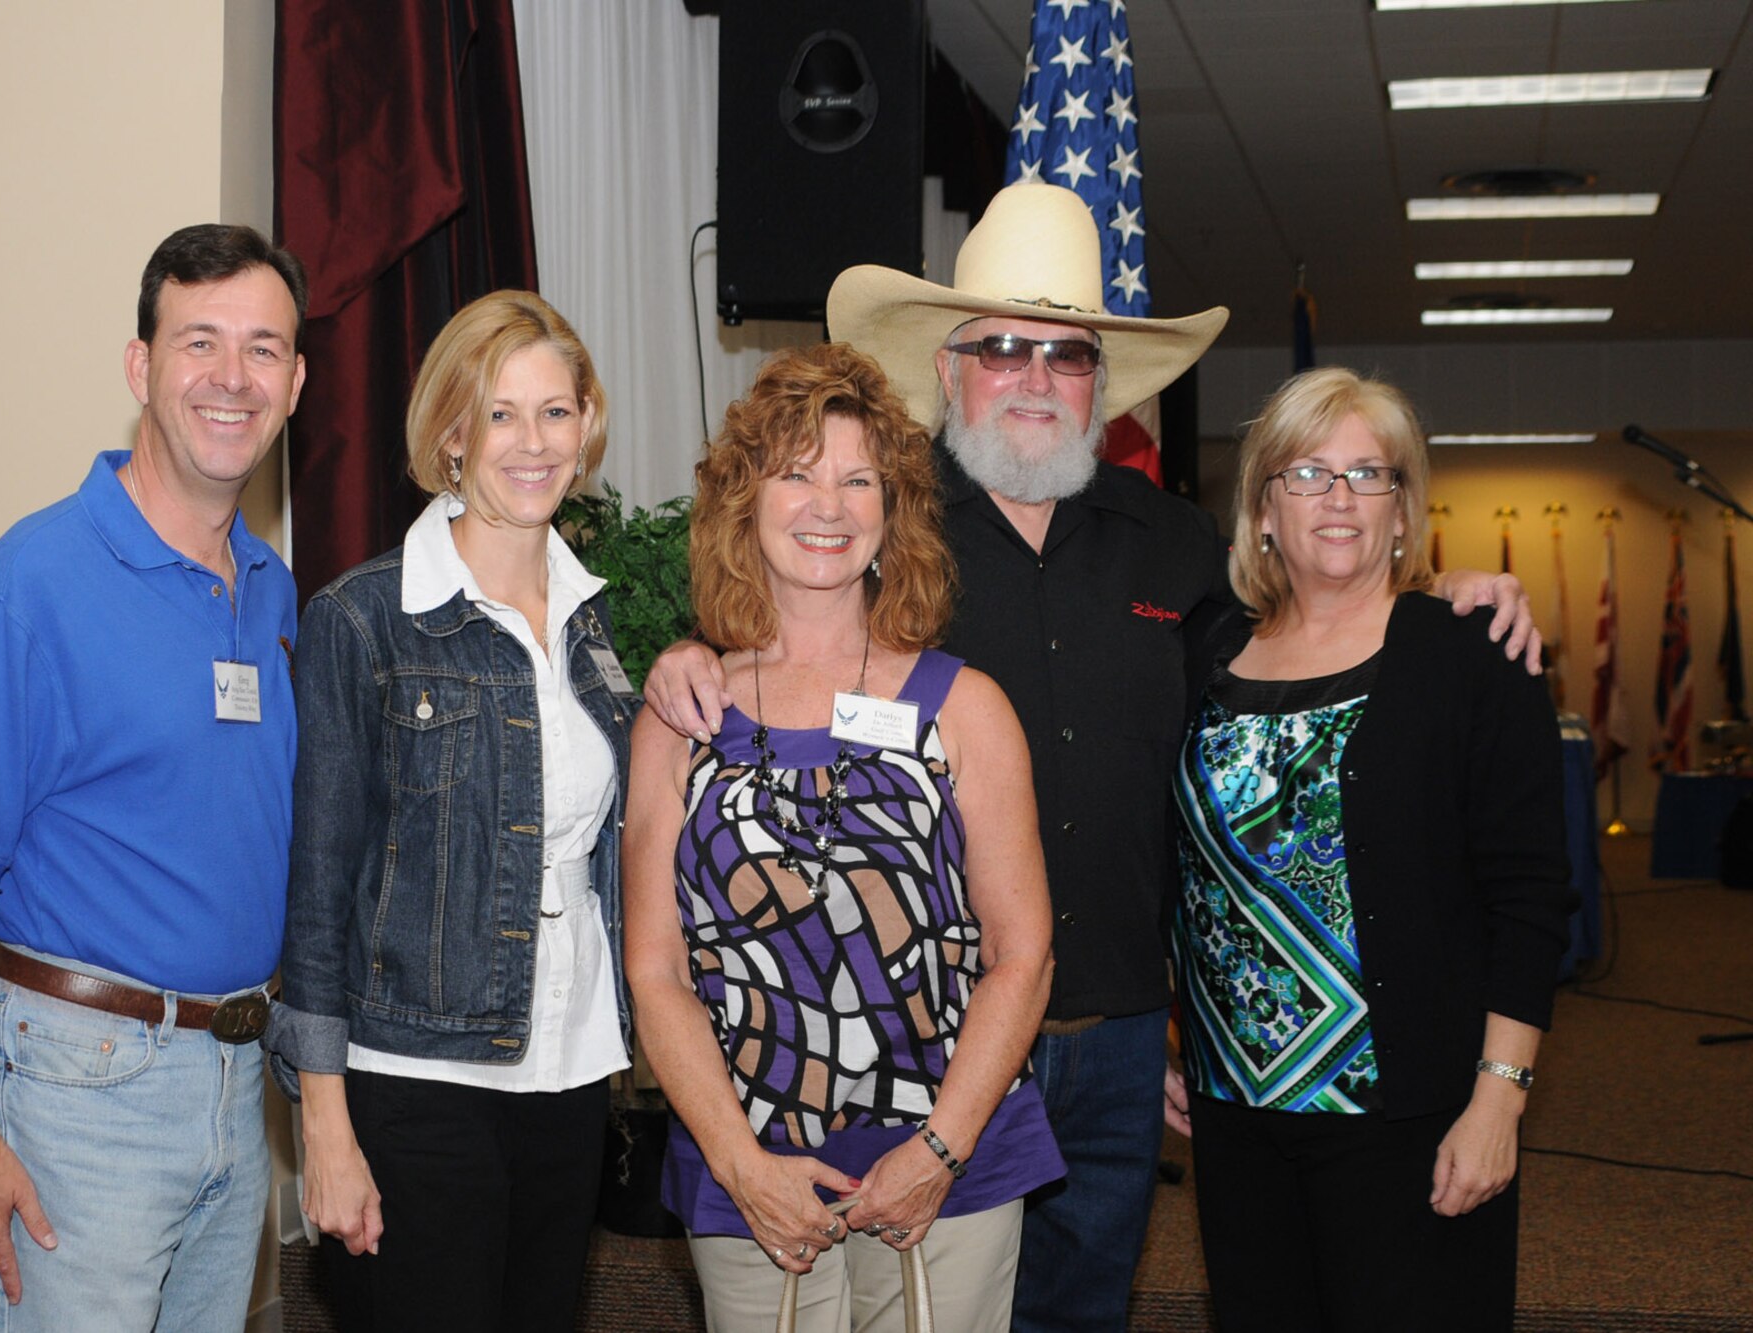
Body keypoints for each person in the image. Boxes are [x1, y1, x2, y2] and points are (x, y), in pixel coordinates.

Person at [645, 182, 1541, 1332]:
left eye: (1065, 355)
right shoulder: (884, 531)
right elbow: (781, 626)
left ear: (1100, 386)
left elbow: (1308, 638)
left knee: (1081, 1316)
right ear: (951, 367)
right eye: (1002, 347)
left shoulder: (1176, 546)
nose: (1031, 377)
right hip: (938, 1047)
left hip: (1124, 1038)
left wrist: (1443, 594)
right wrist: (691, 651)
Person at [0, 223, 307, 1330]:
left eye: (264, 349)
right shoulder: (26, 588)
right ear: (140, 366)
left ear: (296, 380)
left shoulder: (272, 592)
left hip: (235, 1090)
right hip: (83, 1091)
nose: (232, 379)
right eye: (200, 343)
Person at [625, 343, 1063, 1333]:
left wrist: (936, 1154)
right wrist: (744, 1168)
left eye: (856, 479)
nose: (826, 504)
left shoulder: (967, 708)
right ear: (746, 501)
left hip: (951, 1167)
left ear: (890, 511)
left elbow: (1022, 956)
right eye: (796, 473)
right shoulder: (681, 714)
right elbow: (654, 971)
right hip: (747, 1178)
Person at [1161, 367, 1571, 1331]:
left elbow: (1530, 896)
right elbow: (1172, 862)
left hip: (1412, 1114)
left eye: (1367, 474)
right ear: (1263, 510)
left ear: (1402, 511)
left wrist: (1500, 1100)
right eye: (1306, 473)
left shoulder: (1471, 653)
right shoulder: (1203, 648)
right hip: (1233, 1115)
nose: (1338, 498)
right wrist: (1169, 1035)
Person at [265, 289, 635, 1332]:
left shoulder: (594, 623)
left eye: (555, 412)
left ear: (586, 426)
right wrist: (324, 1131)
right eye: (501, 413)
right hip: (413, 1084)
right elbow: (318, 891)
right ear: (452, 434)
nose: (532, 441)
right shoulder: (363, 619)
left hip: (570, 1071)